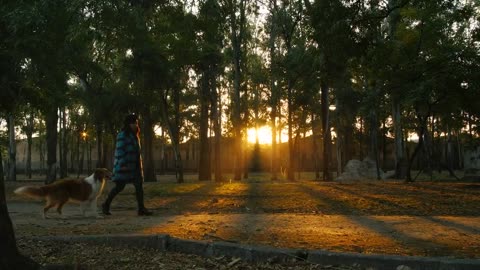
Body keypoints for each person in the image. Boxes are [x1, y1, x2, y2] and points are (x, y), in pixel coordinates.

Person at [102, 114, 153, 216]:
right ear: (129, 124)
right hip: (124, 166)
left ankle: (141, 209)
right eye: (134, 123)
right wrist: (123, 164)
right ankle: (106, 204)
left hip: (135, 167)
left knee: (139, 186)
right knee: (119, 187)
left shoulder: (135, 135)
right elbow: (120, 151)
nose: (136, 125)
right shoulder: (122, 135)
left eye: (136, 123)